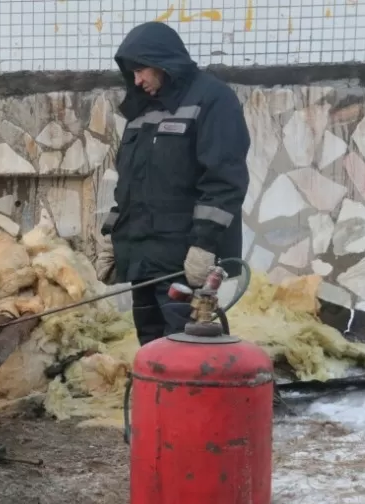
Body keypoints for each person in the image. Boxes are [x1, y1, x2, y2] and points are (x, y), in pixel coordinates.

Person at [95, 21, 250, 346]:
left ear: (163, 61)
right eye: (132, 73)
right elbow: (131, 184)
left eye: (141, 70)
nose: (136, 80)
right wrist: (114, 235)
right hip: (144, 259)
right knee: (151, 346)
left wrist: (204, 246)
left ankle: (196, 398)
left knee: (186, 347)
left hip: (183, 261)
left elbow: (224, 180)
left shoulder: (212, 100)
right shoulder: (141, 111)